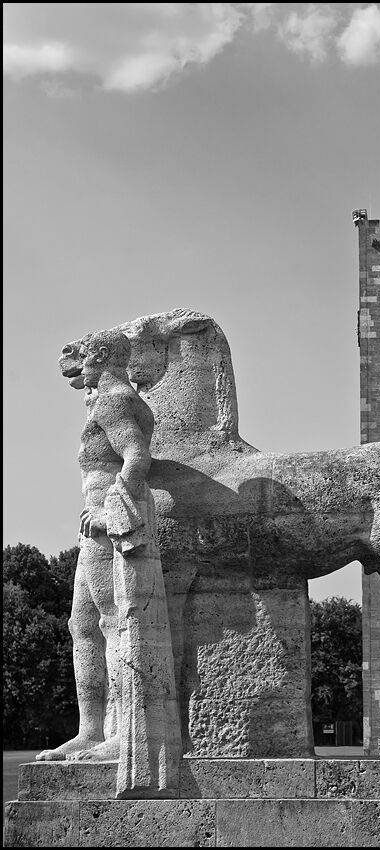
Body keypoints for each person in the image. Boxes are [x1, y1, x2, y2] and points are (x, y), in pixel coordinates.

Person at [37, 329, 180, 794]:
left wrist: (109, 514)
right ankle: (91, 730)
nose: (76, 362)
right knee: (82, 624)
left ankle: (119, 734)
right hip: (93, 531)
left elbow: (137, 457)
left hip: (107, 530)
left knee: (115, 623)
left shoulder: (114, 400)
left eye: (81, 354)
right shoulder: (108, 399)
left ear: (100, 355)